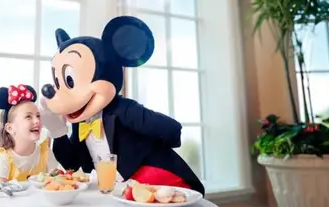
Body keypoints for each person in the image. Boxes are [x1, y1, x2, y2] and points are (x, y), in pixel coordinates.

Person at [38, 16, 205, 195]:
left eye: (70, 80)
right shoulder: (81, 121)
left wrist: (150, 145)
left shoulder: (123, 109)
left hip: (153, 182)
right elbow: (72, 163)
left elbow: (171, 129)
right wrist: (58, 133)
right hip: (114, 192)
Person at [0, 84, 60, 184]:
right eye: (28, 117)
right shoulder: (2, 160)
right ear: (10, 128)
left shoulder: (45, 153)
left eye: (38, 116)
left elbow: (57, 183)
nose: (37, 121)